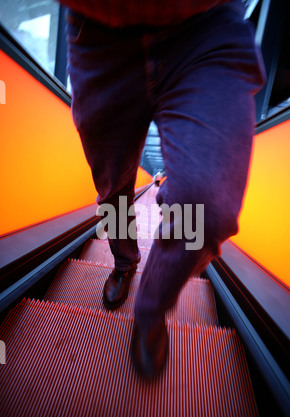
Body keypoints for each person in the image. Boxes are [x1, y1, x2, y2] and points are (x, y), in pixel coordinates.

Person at [60, 0, 265, 379]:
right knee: (113, 189)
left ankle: (151, 309)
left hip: (207, 30)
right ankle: (124, 263)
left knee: (205, 207)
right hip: (100, 34)